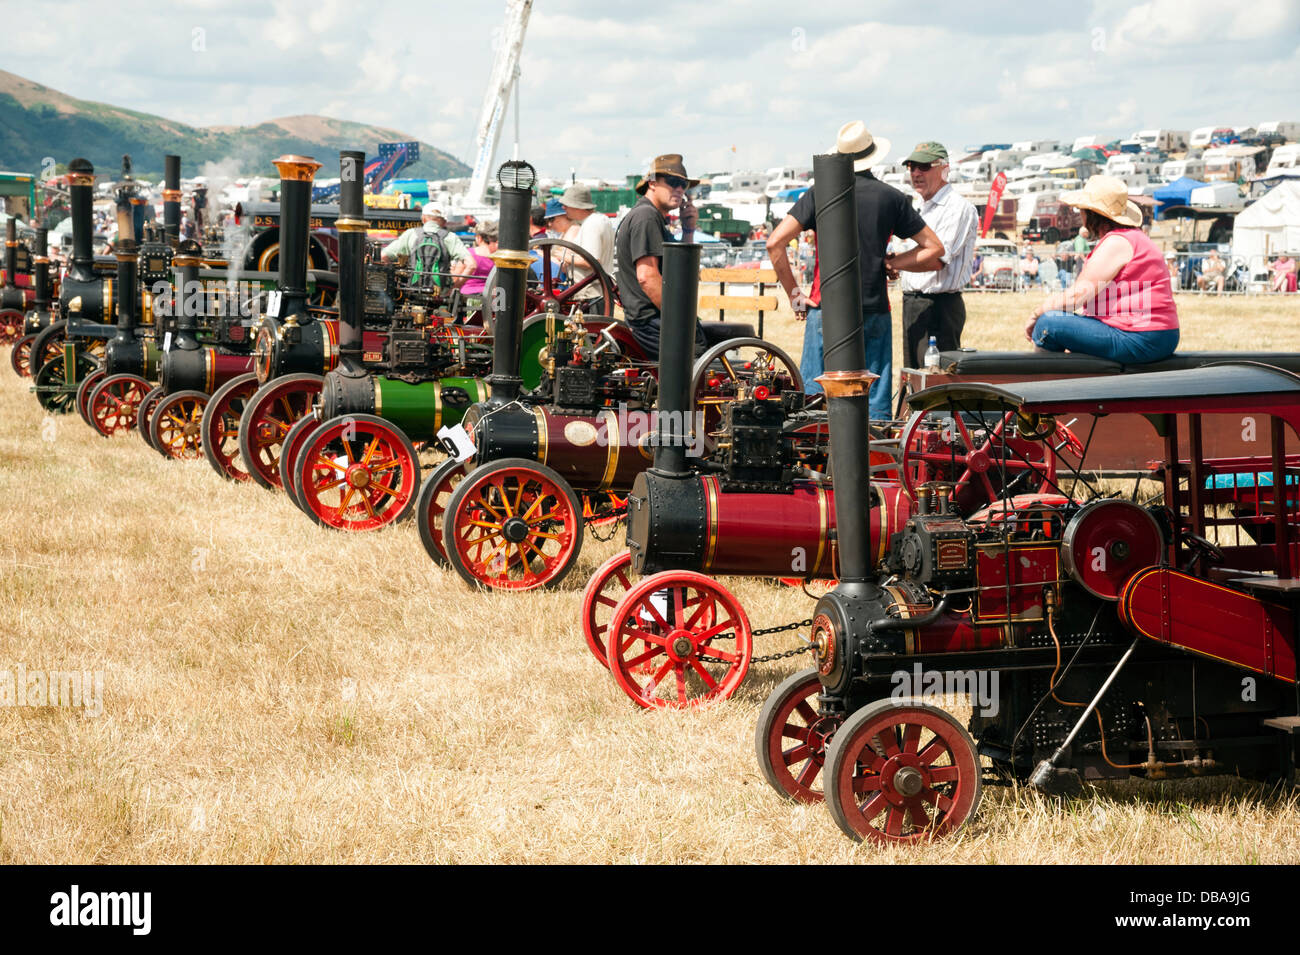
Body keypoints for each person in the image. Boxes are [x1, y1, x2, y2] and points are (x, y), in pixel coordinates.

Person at [766, 121, 943, 416]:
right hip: (873, 308)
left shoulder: (818, 193)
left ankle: (815, 458)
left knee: (813, 399)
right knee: (873, 401)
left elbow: (775, 243)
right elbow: (934, 249)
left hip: (825, 306)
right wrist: (891, 263)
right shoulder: (892, 198)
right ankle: (873, 456)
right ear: (872, 154)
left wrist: (795, 294)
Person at [1026, 175, 1178, 364]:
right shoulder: (1132, 237)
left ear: (1091, 213)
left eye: (1081, 209)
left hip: (1140, 336)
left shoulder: (1116, 242)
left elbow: (1076, 297)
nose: (1079, 214)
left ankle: (1049, 388)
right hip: (1157, 333)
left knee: (1048, 324)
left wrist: (1036, 314)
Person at [887, 142, 978, 370]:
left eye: (924, 166)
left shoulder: (957, 208)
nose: (916, 173)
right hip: (915, 302)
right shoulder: (918, 206)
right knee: (915, 375)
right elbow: (915, 256)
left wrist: (892, 263)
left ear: (943, 169)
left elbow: (935, 260)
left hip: (939, 306)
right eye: (911, 166)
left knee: (935, 379)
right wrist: (897, 265)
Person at [614, 153, 709, 356]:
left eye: (683, 185)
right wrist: (679, 316)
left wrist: (689, 230)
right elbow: (647, 277)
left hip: (651, 321)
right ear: (653, 183)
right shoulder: (646, 217)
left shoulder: (652, 217)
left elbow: (684, 269)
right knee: (698, 371)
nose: (680, 189)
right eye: (673, 182)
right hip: (652, 323)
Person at [552, 183, 615, 307]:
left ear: (577, 206)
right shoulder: (601, 220)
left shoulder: (592, 224)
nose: (564, 208)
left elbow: (592, 261)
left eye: (567, 205)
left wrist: (565, 257)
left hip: (591, 295)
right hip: (597, 293)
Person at [381, 204, 471, 289]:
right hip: (441, 296)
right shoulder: (450, 237)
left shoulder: (411, 234)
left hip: (411, 292)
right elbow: (472, 264)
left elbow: (383, 256)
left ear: (423, 218)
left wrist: (393, 279)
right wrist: (454, 288)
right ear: (444, 222)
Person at [452, 220, 498, 297]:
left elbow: (455, 278)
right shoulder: (497, 255)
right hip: (490, 296)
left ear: (478, 238)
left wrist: (452, 271)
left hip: (467, 295)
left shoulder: (469, 253)